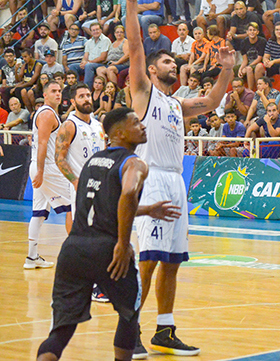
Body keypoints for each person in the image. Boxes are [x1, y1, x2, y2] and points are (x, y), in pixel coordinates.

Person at [116, 0, 236, 356]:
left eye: (174, 61)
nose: (174, 64)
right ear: (152, 70)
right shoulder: (143, 92)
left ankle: (164, 330)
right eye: (167, 61)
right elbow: (135, 45)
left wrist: (227, 69)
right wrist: (131, 4)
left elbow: (213, 100)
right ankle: (129, 330)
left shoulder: (177, 104)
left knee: (172, 261)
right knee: (149, 260)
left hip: (175, 181)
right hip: (150, 178)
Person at [35, 107, 181, 361]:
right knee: (129, 315)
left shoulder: (92, 162)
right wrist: (123, 244)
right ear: (120, 133)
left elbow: (107, 206)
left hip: (73, 250)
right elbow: (128, 194)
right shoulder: (134, 163)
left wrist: (147, 210)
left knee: (61, 330)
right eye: (136, 123)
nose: (143, 126)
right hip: (108, 251)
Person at [27, 81, 69, 269]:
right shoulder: (46, 114)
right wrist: (41, 171)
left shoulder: (49, 113)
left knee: (39, 213)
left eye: (59, 91)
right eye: (53, 91)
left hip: (41, 167)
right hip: (47, 168)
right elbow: (42, 143)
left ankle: (31, 257)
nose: (58, 94)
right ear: (45, 95)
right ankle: (77, 256)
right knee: (74, 205)